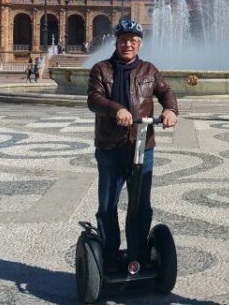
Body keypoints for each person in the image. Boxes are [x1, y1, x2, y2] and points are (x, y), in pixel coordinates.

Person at [86, 18, 178, 271]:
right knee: (108, 205)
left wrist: (170, 109)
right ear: (116, 42)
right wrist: (116, 109)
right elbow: (94, 99)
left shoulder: (149, 70)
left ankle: (138, 252)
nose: (128, 44)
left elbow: (166, 91)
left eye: (133, 41)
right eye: (124, 40)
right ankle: (111, 254)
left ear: (139, 44)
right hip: (110, 148)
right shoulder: (101, 69)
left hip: (142, 146)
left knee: (141, 205)